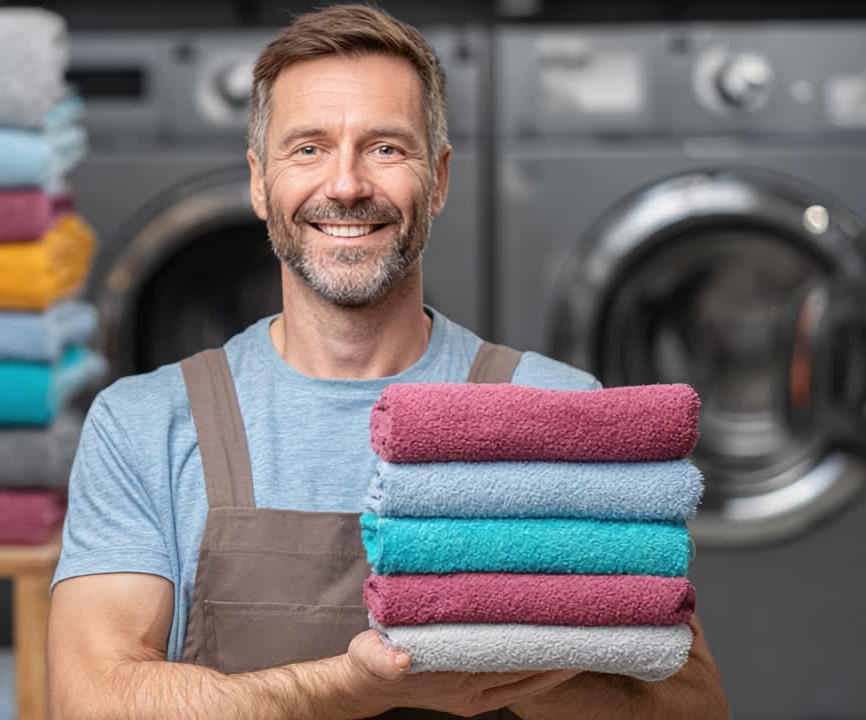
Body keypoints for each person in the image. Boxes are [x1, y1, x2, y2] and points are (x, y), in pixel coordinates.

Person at [47, 4, 730, 718]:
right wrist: (349, 689)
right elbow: (87, 702)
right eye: (308, 148)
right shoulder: (147, 424)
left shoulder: (557, 411)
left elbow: (693, 709)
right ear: (259, 181)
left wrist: (528, 655)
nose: (346, 185)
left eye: (385, 149)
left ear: (437, 181)